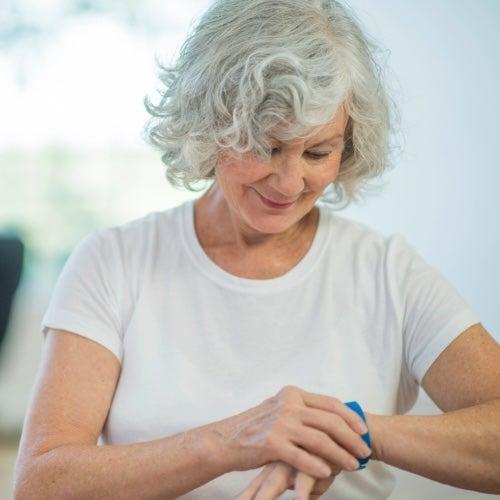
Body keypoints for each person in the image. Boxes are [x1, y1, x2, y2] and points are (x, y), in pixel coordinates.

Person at [13, 0, 500, 498]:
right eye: (265, 146)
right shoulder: (113, 263)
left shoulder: (388, 273)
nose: (290, 183)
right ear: (210, 128)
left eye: (317, 152)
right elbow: (42, 482)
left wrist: (346, 429)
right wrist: (232, 441)